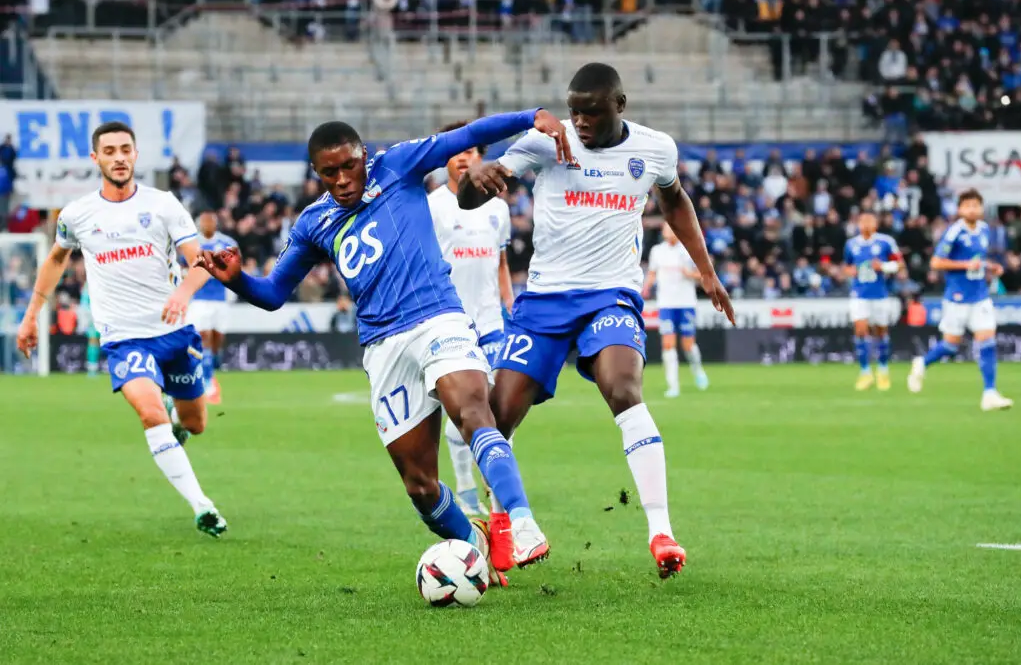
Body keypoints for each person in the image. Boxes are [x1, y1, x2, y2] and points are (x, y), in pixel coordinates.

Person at [194, 110, 572, 583]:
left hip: (438, 318)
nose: (341, 179)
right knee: (420, 486)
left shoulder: (398, 165)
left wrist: (531, 118)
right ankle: (473, 547)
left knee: (473, 411)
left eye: (348, 166)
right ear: (316, 173)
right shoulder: (313, 223)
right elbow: (272, 294)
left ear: (364, 157)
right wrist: (237, 280)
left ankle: (521, 522)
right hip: (383, 347)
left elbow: (470, 134)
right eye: (328, 173)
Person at [458, 63, 735, 578]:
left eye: (591, 111)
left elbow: (676, 201)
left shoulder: (655, 149)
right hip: (544, 301)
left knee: (623, 388)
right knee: (498, 415)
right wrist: (474, 181)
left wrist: (706, 270)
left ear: (619, 106)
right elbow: (473, 195)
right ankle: (502, 527)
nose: (580, 121)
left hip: (610, 295)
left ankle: (661, 533)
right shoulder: (545, 143)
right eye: (574, 111)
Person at [16, 122, 227, 537]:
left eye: (125, 149)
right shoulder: (77, 214)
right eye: (109, 151)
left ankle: (176, 418)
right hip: (123, 338)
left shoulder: (162, 204)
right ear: (95, 158)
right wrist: (31, 315)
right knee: (150, 413)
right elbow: (56, 259)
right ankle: (202, 506)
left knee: (195, 423)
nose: (119, 157)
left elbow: (201, 261)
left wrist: (182, 293)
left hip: (174, 332)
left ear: (135, 154)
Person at [428, 121, 515, 518]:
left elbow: (501, 262)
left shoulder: (498, 208)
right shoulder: (432, 206)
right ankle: (465, 486)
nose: (464, 158)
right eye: (456, 152)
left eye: (471, 152)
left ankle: (497, 488)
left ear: (481, 158)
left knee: (501, 408)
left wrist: (510, 304)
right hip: (450, 322)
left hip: (492, 321)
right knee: (463, 406)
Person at [908, 189, 1013, 411]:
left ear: (981, 208)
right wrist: (965, 265)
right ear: (960, 209)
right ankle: (922, 362)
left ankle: (989, 393)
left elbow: (977, 259)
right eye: (968, 205)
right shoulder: (954, 232)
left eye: (976, 205)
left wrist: (989, 266)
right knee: (950, 346)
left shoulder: (984, 229)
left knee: (987, 340)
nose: (972, 209)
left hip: (980, 295)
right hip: (957, 297)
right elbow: (936, 262)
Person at [642, 222, 709, 397]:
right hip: (666, 303)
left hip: (686, 302)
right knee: (668, 344)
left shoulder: (689, 249)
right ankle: (673, 385)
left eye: (671, 228)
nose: (668, 231)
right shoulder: (657, 251)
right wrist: (646, 288)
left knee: (688, 345)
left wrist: (690, 274)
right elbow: (652, 273)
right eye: (666, 228)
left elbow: (703, 274)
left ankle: (697, 369)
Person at [842, 210, 901, 391]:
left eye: (870, 221)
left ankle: (882, 370)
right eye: (863, 221)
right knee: (860, 330)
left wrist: (883, 266)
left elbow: (899, 264)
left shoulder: (886, 242)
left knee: (881, 332)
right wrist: (850, 271)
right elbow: (847, 266)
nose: (866, 225)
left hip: (880, 294)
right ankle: (865, 372)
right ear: (858, 224)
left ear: (876, 224)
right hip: (859, 294)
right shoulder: (851, 244)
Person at [187, 210, 238, 405]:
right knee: (204, 337)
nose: (207, 225)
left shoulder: (227, 242)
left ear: (216, 224)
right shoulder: (192, 243)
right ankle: (207, 381)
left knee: (217, 340)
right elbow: (183, 265)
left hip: (220, 299)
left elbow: (235, 267)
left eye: (210, 222)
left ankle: (209, 370)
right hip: (199, 299)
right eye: (204, 222)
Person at [79, 282, 101, 377]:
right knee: (93, 341)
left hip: (104, 317)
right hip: (92, 319)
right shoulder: (88, 285)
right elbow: (84, 304)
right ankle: (92, 368)